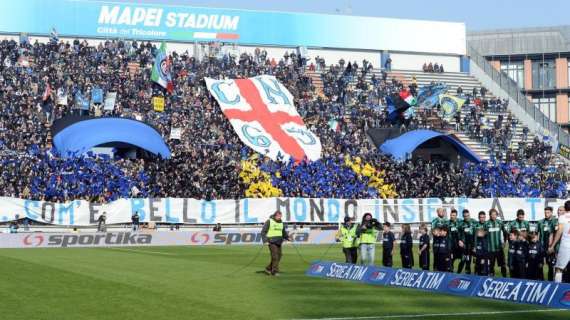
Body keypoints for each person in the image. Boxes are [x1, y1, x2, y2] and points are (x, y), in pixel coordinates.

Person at [261, 211, 289, 276]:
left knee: (279, 256)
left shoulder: (281, 223)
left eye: (280, 216)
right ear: (275, 215)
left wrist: (287, 237)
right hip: (271, 241)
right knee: (275, 256)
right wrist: (265, 241)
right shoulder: (269, 221)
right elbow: (263, 232)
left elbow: (283, 232)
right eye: (278, 216)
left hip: (279, 241)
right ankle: (275, 271)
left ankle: (268, 268)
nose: (280, 217)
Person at [548, 201, 570, 283]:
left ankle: (557, 288)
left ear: (565, 208)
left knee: (559, 269)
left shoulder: (563, 217)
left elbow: (559, 231)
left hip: (565, 244)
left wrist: (553, 245)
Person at [485, 208, 507, 277]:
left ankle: (505, 277)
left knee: (503, 265)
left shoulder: (500, 222)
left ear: (497, 215)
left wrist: (505, 242)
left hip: (499, 248)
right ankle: (492, 278)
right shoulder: (486, 223)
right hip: (490, 249)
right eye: (492, 214)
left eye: (495, 214)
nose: (493, 216)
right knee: (491, 266)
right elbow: (483, 235)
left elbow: (505, 233)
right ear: (490, 215)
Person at [539, 206, 558, 281]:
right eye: (545, 212)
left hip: (551, 247)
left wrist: (553, 246)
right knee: (540, 264)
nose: (546, 214)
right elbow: (537, 233)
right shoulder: (541, 222)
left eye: (548, 212)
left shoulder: (555, 221)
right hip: (542, 246)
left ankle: (551, 281)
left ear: (551, 213)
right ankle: (541, 280)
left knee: (551, 265)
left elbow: (556, 233)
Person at [458, 209, 477, 274]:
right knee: (464, 260)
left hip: (473, 245)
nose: (466, 217)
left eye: (467, 216)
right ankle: (458, 273)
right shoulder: (461, 223)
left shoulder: (474, 222)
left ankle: (476, 276)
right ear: (463, 216)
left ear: (469, 215)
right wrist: (460, 240)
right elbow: (459, 233)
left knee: (476, 261)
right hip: (465, 246)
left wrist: (475, 246)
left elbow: (476, 233)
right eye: (465, 216)